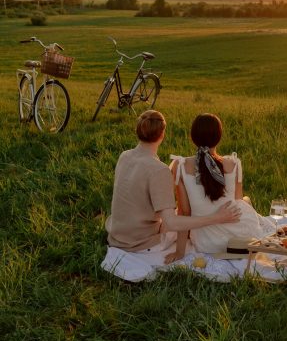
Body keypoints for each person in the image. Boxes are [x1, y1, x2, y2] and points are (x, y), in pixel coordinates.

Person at [105, 110, 242, 253]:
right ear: (162, 134)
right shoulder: (159, 170)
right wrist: (217, 217)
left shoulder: (124, 156)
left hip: (118, 235)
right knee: (184, 219)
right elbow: (171, 222)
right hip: (141, 243)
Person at [166, 113, 275, 263]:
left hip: (206, 243)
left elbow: (184, 212)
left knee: (245, 201)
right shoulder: (234, 164)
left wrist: (180, 251)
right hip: (238, 239)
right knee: (245, 201)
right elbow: (237, 202)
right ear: (219, 137)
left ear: (192, 137)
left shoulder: (181, 166)